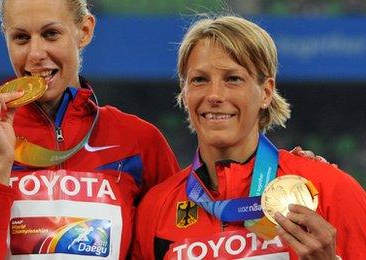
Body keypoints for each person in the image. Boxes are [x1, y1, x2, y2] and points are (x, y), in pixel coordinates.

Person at [0, 0, 181, 259]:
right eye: (21, 38)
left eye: (50, 34)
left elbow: (174, 247)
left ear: (84, 31)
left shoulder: (138, 142)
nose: (35, 54)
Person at [132, 15, 366, 260]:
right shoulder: (156, 208)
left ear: (266, 92)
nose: (215, 95)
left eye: (233, 79)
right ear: (185, 92)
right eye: (199, 80)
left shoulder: (328, 189)